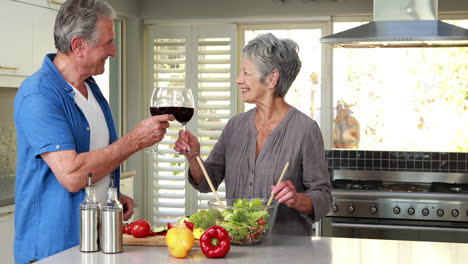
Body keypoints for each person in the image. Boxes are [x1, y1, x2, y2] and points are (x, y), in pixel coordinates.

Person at [13, 0, 174, 263]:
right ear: (79, 46)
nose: (113, 51)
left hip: (94, 246)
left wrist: (109, 193)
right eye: (108, 42)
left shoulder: (92, 89)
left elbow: (91, 160)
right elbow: (73, 175)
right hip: (53, 252)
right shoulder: (38, 95)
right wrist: (134, 140)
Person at [174, 33, 332, 236]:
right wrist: (193, 156)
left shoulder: (305, 130)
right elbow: (207, 183)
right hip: (237, 249)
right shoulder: (235, 126)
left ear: (272, 78)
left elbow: (324, 197)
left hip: (289, 253)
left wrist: (297, 198)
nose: (238, 80)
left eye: (246, 72)